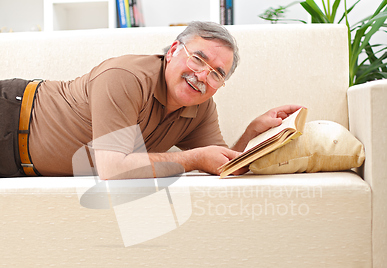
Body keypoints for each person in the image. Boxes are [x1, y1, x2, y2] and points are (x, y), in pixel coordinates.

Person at [0, 21, 300, 179]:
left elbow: (221, 164)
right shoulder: (127, 77)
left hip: (18, 165)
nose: (202, 76)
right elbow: (113, 167)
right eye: (198, 59)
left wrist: (253, 132)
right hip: (10, 113)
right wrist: (192, 158)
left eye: (216, 74)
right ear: (172, 52)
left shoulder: (201, 107)